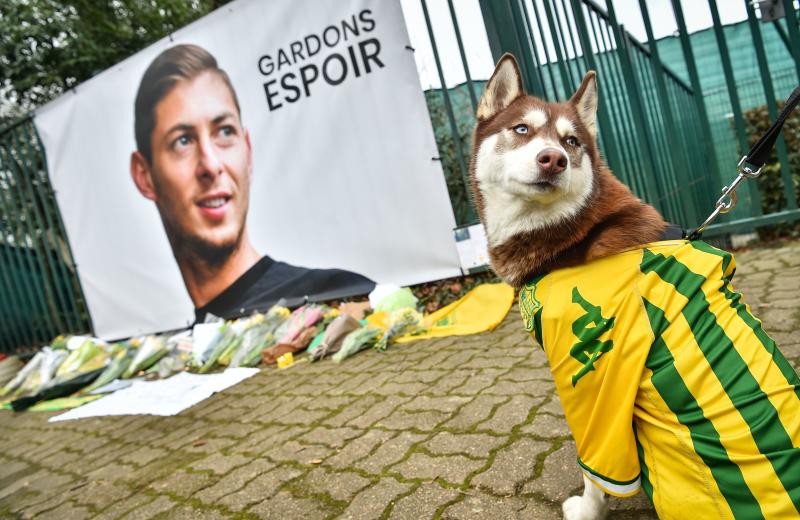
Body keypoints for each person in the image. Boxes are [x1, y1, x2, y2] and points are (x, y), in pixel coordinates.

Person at [130, 44, 374, 322]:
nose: (210, 165)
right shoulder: (186, 342)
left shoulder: (335, 294)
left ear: (247, 151)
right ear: (144, 176)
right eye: (182, 141)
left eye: (224, 132)